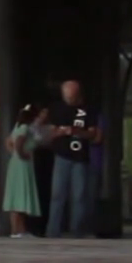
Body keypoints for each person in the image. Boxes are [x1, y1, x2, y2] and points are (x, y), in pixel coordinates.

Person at [45, 80, 99, 238]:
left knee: (79, 196)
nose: (68, 100)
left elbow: (93, 134)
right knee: (57, 195)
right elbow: (49, 133)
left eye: (71, 97)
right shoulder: (57, 109)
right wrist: (61, 132)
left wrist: (77, 132)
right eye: (66, 96)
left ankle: (77, 230)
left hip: (80, 158)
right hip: (61, 156)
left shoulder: (88, 109)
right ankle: (53, 230)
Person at [3, 105, 48, 238]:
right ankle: (17, 231)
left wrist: (14, 154)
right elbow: (18, 142)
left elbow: (8, 142)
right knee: (20, 195)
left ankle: (19, 230)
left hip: (16, 163)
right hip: (22, 164)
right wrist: (22, 154)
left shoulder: (17, 126)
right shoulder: (24, 128)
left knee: (16, 196)